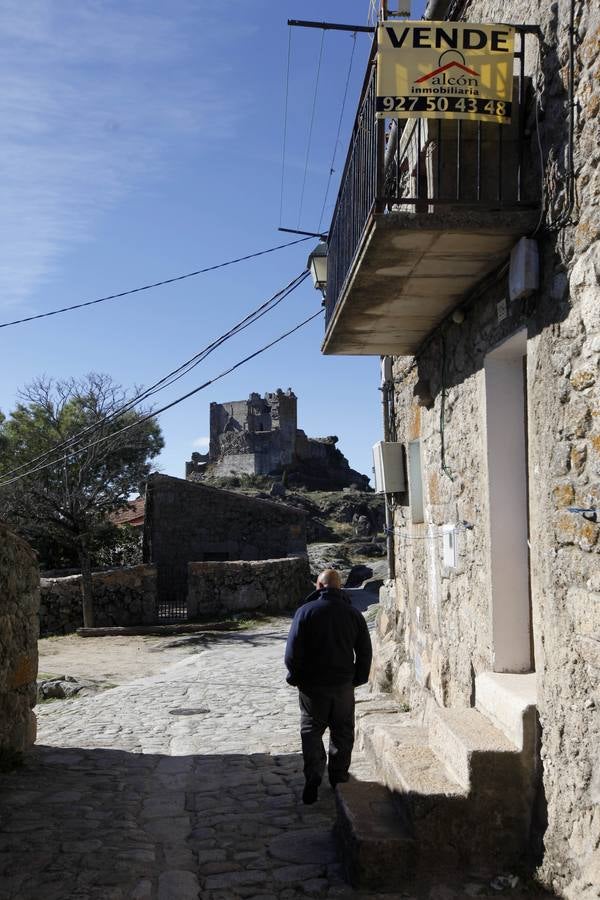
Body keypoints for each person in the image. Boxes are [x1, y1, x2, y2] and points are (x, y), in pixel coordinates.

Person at [284, 568, 373, 805]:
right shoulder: (354, 614)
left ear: (319, 586)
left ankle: (313, 777)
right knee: (342, 732)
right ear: (339, 587)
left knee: (312, 731)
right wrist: (358, 678)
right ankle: (339, 779)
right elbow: (365, 651)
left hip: (312, 687)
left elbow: (292, 653)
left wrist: (296, 677)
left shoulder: (304, 612)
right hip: (343, 686)